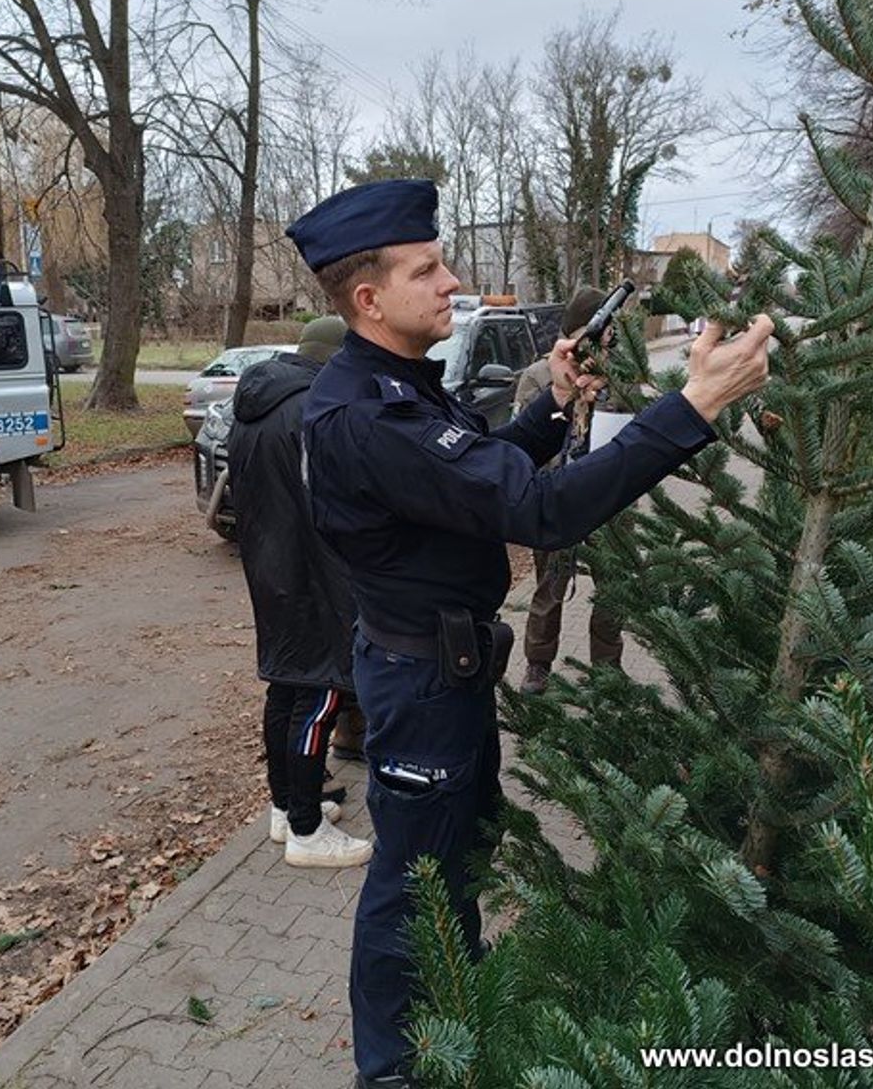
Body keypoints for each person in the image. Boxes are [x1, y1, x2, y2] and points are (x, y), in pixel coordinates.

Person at [287, 178, 773, 1088]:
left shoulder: (396, 387)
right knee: (412, 886)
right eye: (427, 269)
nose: (451, 280)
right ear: (368, 299)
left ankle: (458, 1024)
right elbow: (539, 511)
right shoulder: (366, 412)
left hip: (445, 669)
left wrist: (553, 400)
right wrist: (693, 409)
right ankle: (393, 1068)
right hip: (420, 678)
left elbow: (481, 474)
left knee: (452, 859)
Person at [228, 315, 374, 869]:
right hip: (315, 573)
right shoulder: (314, 410)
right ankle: (308, 833)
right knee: (319, 694)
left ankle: (286, 807)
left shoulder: (255, 403)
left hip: (269, 569)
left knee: (286, 690)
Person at [512, 285, 623, 693]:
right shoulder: (541, 375)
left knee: (614, 588)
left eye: (610, 331)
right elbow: (525, 441)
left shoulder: (621, 374)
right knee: (549, 587)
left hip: (611, 500)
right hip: (558, 494)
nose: (607, 337)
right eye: (599, 329)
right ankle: (538, 664)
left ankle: (608, 668)